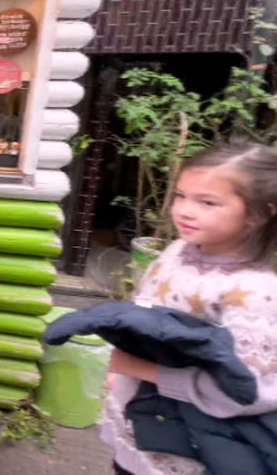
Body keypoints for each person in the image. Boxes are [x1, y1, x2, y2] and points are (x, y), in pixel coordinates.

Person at [103, 140, 277, 475]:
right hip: (141, 422)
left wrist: (147, 371)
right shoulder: (177, 252)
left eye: (207, 202)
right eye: (181, 195)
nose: (183, 210)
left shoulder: (255, 293)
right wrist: (120, 370)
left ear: (259, 213)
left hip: (188, 444)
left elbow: (255, 391)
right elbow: (142, 313)